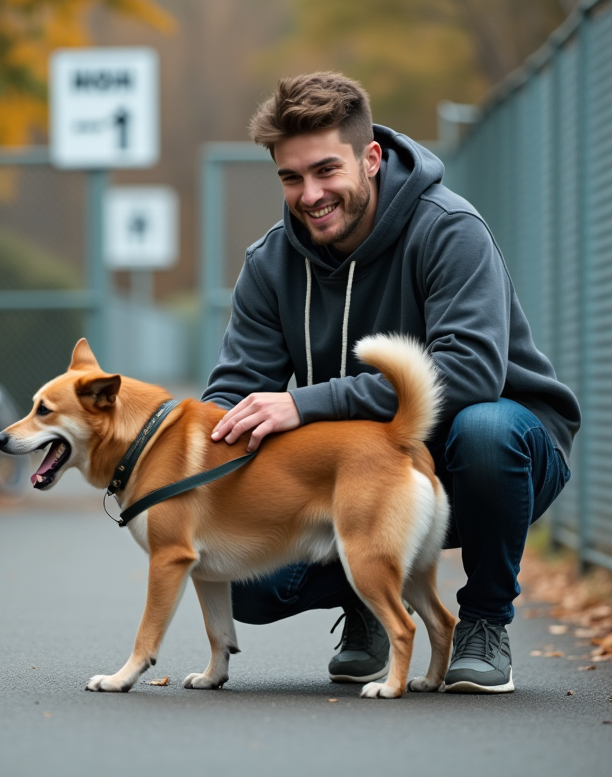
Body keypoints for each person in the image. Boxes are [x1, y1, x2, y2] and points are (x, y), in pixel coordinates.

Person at [201, 72, 580, 693]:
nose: (310, 194)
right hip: (355, 482)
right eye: (291, 177)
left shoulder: (448, 229)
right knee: (234, 568)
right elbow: (234, 390)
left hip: (486, 461)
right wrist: (181, 463)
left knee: (487, 430)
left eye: (327, 171)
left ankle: (484, 621)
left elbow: (471, 374)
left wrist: (305, 403)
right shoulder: (269, 264)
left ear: (371, 158)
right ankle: (370, 600)